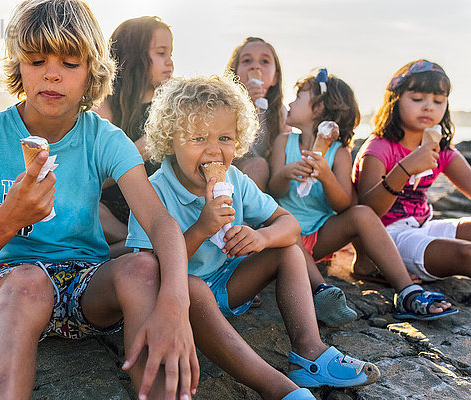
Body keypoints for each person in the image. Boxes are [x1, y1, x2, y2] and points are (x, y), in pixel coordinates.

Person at [0, 1, 198, 399]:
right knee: (27, 283)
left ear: (92, 71)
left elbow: (160, 222)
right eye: (37, 59)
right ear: (18, 65)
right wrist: (8, 219)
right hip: (12, 284)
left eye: (70, 63)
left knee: (143, 268)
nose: (52, 74)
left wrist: (175, 302)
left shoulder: (104, 138)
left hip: (88, 287)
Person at [127, 75, 380, 398]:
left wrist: (262, 239)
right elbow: (146, 271)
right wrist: (201, 229)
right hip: (181, 299)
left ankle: (309, 353)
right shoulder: (155, 191)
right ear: (169, 140)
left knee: (286, 249)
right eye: (198, 138)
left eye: (225, 138)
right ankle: (272, 387)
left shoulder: (235, 178)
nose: (214, 151)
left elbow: (288, 224)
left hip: (228, 284)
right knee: (195, 287)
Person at [268, 68, 456, 325]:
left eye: (299, 96)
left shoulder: (340, 152)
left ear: (319, 107)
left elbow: (345, 203)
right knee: (287, 232)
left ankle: (406, 291)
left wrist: (326, 176)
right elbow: (272, 190)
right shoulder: (283, 142)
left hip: (320, 235)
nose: (290, 102)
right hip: (283, 233)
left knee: (363, 214)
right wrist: (286, 173)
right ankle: (323, 292)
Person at [353, 59, 471, 283]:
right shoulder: (379, 147)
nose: (428, 106)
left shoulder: (441, 148)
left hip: (424, 225)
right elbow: (367, 212)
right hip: (387, 237)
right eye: (417, 99)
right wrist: (406, 167)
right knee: (467, 254)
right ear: (395, 101)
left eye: (438, 100)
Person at [94, 16, 174, 257]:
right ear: (134, 56)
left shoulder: (173, 106)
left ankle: (133, 248)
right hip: (114, 210)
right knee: (91, 209)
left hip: (158, 206)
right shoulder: (104, 108)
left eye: (171, 53)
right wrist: (139, 150)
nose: (170, 62)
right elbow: (90, 180)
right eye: (161, 53)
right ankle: (139, 244)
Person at [226, 37, 290, 191]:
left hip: (265, 178)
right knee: (258, 165)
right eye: (247, 61)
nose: (255, 67)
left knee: (262, 165)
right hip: (230, 170)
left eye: (264, 62)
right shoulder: (224, 105)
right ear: (234, 72)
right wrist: (246, 104)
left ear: (275, 77)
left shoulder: (280, 113)